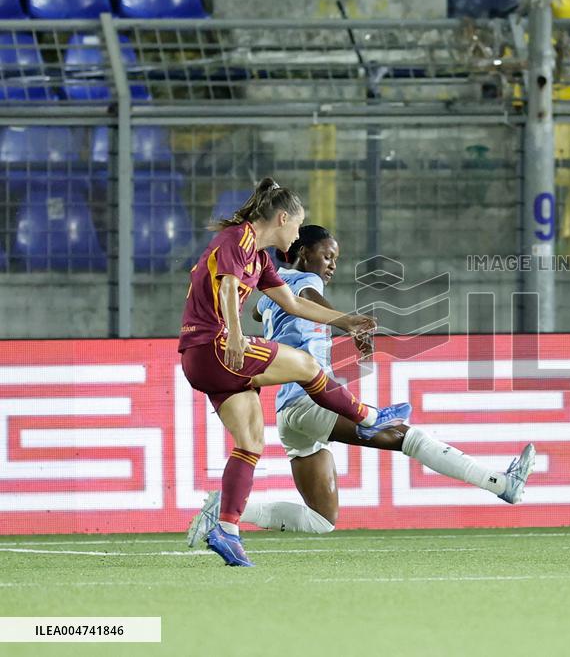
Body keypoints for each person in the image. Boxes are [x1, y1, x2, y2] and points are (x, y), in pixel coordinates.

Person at [185, 225, 535, 542]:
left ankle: (228, 508)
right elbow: (307, 298)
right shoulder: (308, 283)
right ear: (304, 253)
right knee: (407, 436)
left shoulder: (270, 291)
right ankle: (502, 484)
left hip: (290, 415)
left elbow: (261, 311)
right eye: (327, 255)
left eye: (335, 258)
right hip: (312, 401)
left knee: (322, 519)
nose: (332, 264)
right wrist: (345, 321)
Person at [179, 179, 412, 567]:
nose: (297, 234)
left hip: (201, 358)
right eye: (296, 225)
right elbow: (229, 286)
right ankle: (369, 417)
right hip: (215, 346)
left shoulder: (263, 260)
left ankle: (227, 530)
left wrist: (347, 321)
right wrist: (236, 333)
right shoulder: (239, 239)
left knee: (251, 443)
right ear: (282, 218)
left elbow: (295, 305)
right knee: (305, 364)